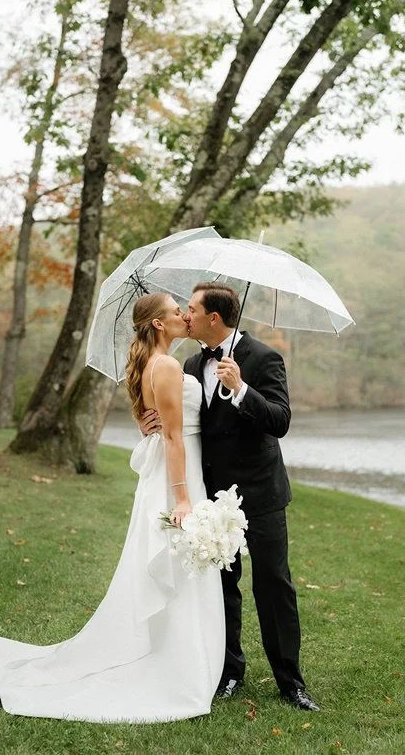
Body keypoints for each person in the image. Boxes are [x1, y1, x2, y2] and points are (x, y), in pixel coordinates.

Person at [0, 292, 224, 722]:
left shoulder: (156, 364)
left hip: (176, 471)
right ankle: (175, 660)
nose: (184, 314)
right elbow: (172, 437)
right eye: (175, 311)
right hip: (176, 478)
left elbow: (157, 423)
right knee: (177, 562)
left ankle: (174, 649)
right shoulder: (164, 366)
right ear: (159, 324)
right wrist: (182, 498)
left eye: (187, 309)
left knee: (176, 564)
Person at [140, 282, 319, 712]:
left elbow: (280, 421)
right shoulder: (188, 361)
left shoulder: (263, 358)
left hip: (261, 492)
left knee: (274, 585)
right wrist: (151, 425)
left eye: (192, 309)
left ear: (213, 318)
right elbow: (180, 424)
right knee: (222, 586)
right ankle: (229, 671)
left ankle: (290, 681)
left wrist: (241, 388)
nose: (186, 315)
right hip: (212, 494)